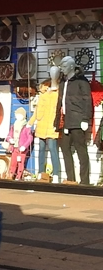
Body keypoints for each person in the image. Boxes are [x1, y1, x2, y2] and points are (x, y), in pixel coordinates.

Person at [54, 56, 93, 185]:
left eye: (64, 67)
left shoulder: (82, 81)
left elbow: (88, 101)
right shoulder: (62, 83)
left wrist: (85, 119)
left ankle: (84, 181)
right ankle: (71, 179)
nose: (62, 69)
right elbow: (60, 103)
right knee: (65, 149)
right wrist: (57, 121)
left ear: (71, 66)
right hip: (66, 121)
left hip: (77, 121)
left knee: (81, 150)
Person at [27, 79, 60, 182]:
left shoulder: (56, 94)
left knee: (52, 149)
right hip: (41, 125)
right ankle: (41, 172)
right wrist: (30, 123)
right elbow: (37, 111)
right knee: (41, 149)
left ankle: (56, 174)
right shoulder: (42, 96)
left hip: (52, 126)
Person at [3, 107, 33, 180]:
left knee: (20, 163)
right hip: (14, 148)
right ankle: (11, 175)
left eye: (19, 115)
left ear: (23, 116)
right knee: (13, 162)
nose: (17, 116)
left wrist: (24, 146)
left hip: (21, 149)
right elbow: (9, 135)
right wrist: (10, 140)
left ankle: (18, 176)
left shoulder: (26, 127)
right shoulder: (13, 126)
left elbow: (30, 138)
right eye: (17, 115)